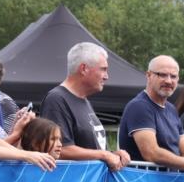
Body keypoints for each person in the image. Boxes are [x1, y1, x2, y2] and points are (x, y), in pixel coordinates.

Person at [118, 55, 184, 177]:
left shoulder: (171, 109)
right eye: (162, 75)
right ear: (148, 75)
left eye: (173, 76)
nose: (168, 81)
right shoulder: (139, 106)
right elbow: (151, 152)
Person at [41, 42, 130, 170]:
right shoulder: (57, 99)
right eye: (103, 69)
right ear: (83, 69)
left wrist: (112, 154)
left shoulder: (83, 100)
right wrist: (104, 155)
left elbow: (92, 148)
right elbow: (60, 150)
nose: (107, 76)